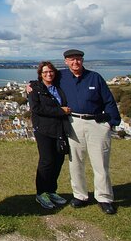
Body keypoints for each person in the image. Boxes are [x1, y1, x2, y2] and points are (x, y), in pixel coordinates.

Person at [59, 49, 121, 215]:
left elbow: (108, 100)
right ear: (65, 61)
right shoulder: (61, 77)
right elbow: (44, 80)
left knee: (100, 162)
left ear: (82, 60)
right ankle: (80, 195)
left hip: (96, 122)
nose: (75, 63)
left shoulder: (95, 77)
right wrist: (30, 86)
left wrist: (111, 122)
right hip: (74, 122)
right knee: (75, 162)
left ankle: (104, 197)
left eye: (78, 59)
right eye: (71, 60)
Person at [28, 61, 72, 209]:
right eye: (45, 72)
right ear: (40, 75)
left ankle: (52, 191)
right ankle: (41, 193)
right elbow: (36, 109)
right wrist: (61, 111)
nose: (48, 74)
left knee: (58, 160)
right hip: (43, 130)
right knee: (47, 161)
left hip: (60, 129)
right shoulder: (35, 89)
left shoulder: (59, 87)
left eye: (51, 72)